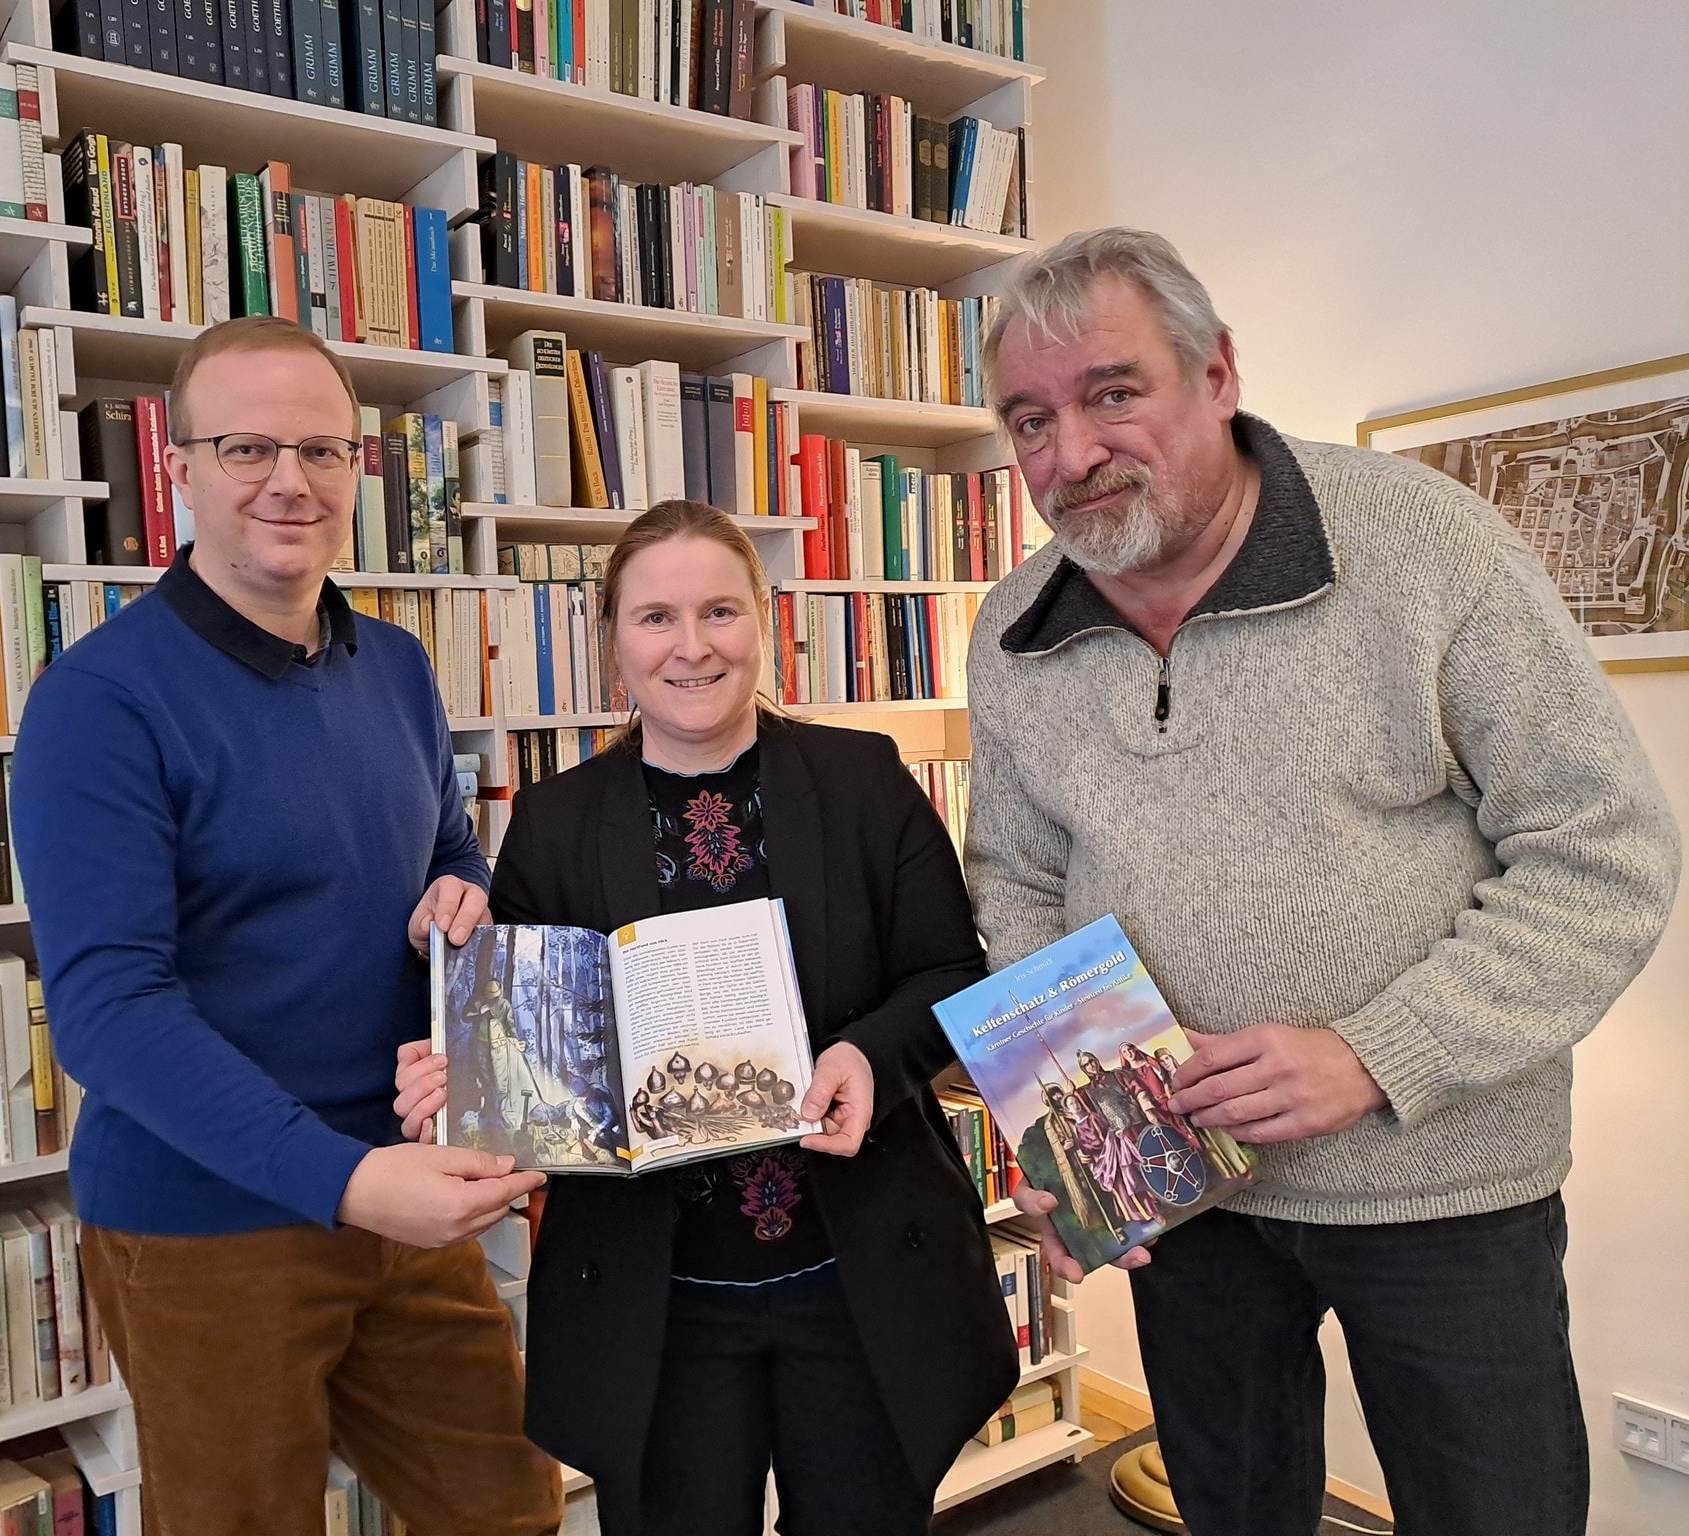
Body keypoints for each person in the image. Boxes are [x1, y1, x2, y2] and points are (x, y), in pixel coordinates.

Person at [968, 227, 1681, 1536]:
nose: (1069, 455)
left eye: (1112, 393)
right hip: (1188, 1195)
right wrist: (1080, 1126)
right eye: (1029, 420)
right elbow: (1014, 877)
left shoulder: (1428, 549)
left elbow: (1606, 849)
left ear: (1218, 373)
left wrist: (1377, 1052)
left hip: (1445, 1190)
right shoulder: (1014, 628)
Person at [12, 316, 562, 1536]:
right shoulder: (98, 702)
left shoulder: (400, 667)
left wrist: (460, 897)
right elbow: (107, 1017)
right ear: (178, 468)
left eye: (322, 450)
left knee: (506, 1508)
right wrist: (348, 1181)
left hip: (409, 1189)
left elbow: (444, 854)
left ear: (359, 470)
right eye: (246, 446)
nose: (287, 481)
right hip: (209, 1221)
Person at [395, 501, 1017, 1536]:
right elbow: (541, 1058)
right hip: (656, 1302)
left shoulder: (861, 780)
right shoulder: (555, 821)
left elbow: (951, 975)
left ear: (764, 622)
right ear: (613, 644)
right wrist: (467, 1081)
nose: (691, 646)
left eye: (719, 611)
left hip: (857, 1280)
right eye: (655, 618)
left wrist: (866, 1054)